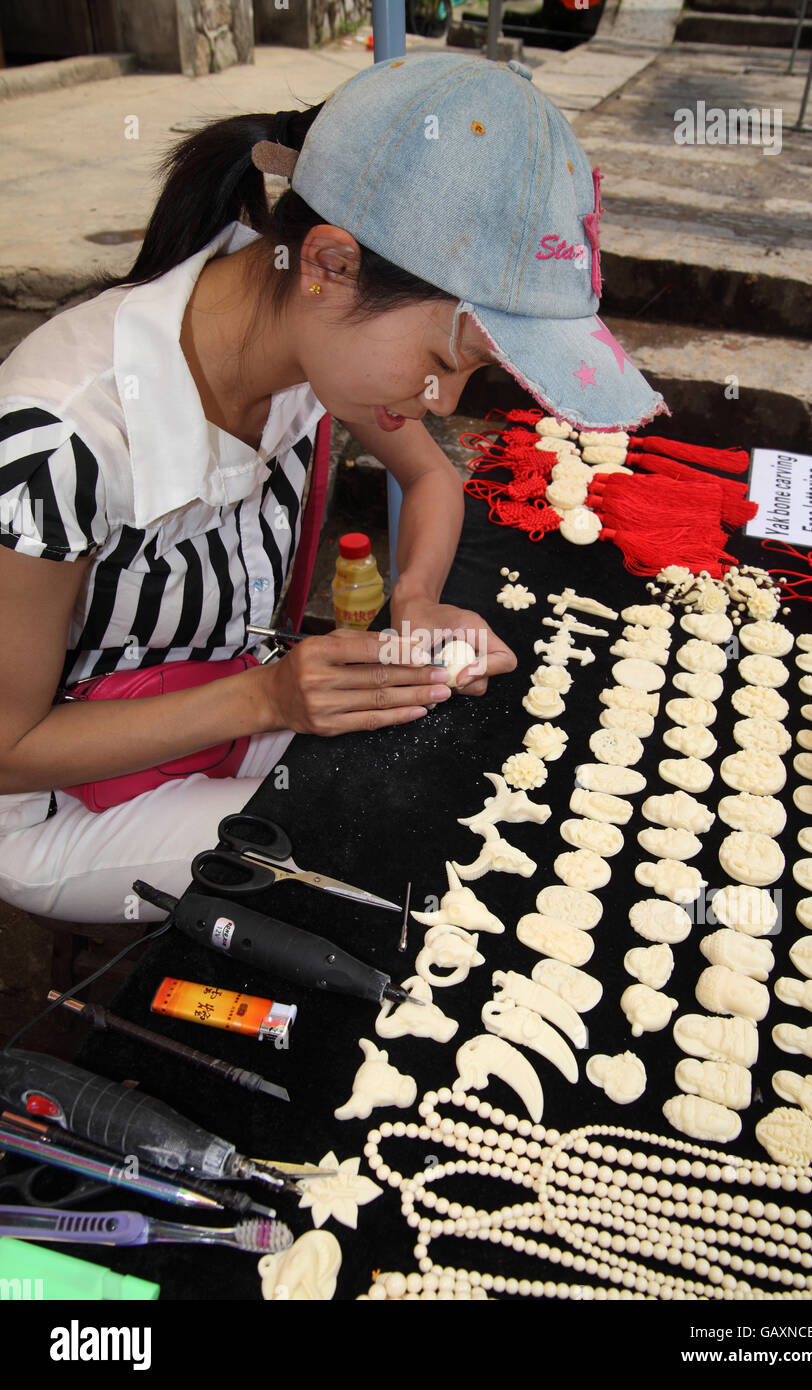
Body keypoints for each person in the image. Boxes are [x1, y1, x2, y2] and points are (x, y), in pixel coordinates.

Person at [0, 53, 664, 924]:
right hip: (59, 796)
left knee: (449, 753)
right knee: (381, 845)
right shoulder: (62, 439)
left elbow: (431, 477)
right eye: (440, 361)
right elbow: (10, 751)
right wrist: (269, 698)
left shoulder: (304, 333)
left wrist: (417, 599)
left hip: (229, 703)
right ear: (328, 263)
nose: (444, 403)